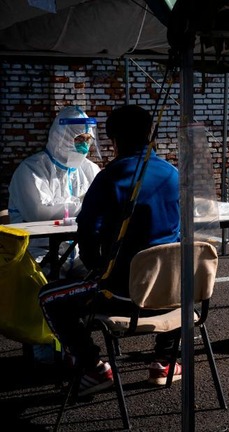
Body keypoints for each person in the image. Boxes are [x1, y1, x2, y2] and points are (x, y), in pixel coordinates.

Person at [39, 105, 182, 396]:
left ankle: (92, 366)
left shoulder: (110, 178)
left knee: (49, 296)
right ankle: (165, 360)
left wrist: (97, 268)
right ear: (150, 134)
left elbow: (88, 237)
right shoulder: (173, 174)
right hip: (174, 292)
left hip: (124, 295)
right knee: (173, 271)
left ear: (113, 139)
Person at [8, 106, 101, 274]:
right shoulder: (32, 169)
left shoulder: (90, 170)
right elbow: (41, 213)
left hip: (80, 253)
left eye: (87, 139)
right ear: (61, 137)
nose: (84, 146)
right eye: (79, 139)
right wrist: (87, 203)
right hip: (40, 253)